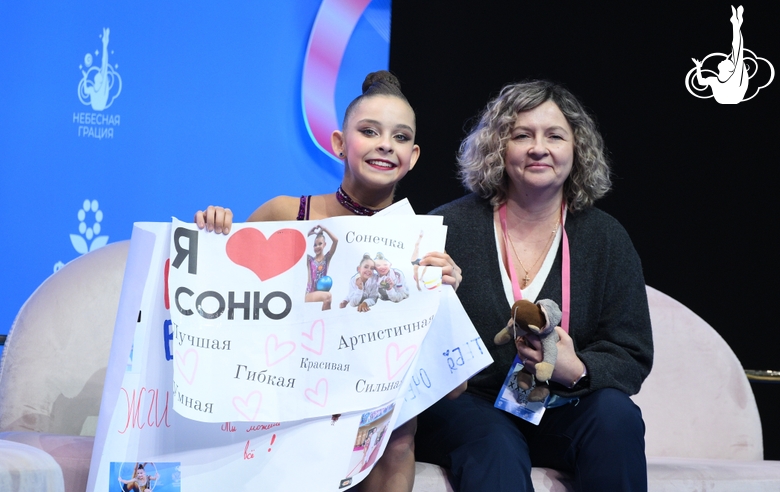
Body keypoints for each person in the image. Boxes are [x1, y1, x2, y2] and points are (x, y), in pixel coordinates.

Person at [195, 71, 464, 492]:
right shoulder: (286, 214)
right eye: (369, 131)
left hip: (372, 423)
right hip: (285, 399)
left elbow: (455, 388)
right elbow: (223, 305)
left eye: (398, 137)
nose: (384, 145)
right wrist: (213, 234)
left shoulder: (421, 247)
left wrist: (445, 296)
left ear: (412, 157)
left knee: (398, 432)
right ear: (340, 143)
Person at [415, 80, 653, 491]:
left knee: (616, 415)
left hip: (563, 404)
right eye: (522, 135)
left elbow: (631, 352)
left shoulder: (606, 238)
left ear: (576, 149)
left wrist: (577, 370)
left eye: (554, 135)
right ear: (497, 148)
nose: (538, 148)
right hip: (470, 409)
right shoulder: (449, 227)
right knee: (494, 444)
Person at [692, 5, 748, 104]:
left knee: (737, 51)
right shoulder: (715, 80)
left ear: (729, 69)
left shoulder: (730, 78)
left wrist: (698, 68)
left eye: (727, 61)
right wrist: (698, 67)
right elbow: (700, 82)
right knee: (737, 52)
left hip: (733, 95)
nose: (724, 59)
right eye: (727, 60)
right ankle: (736, 24)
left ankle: (736, 24)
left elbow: (738, 50)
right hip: (731, 97)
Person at [304, 225, 338, 310]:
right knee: (328, 296)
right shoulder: (309, 260)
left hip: (321, 292)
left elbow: (336, 240)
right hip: (310, 293)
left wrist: (325, 229)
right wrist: (307, 234)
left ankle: (324, 319)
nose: (317, 247)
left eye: (320, 244)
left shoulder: (327, 258)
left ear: (325, 244)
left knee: (327, 297)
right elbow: (299, 247)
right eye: (315, 245)